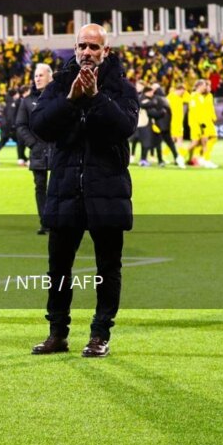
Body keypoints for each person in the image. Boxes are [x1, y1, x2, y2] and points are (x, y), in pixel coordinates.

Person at [29, 24, 138, 358]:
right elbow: (40, 127)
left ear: (106, 51)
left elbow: (125, 127)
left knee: (108, 268)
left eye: (94, 47)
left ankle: (99, 334)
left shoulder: (121, 87)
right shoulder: (60, 84)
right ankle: (57, 333)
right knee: (58, 268)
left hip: (107, 189)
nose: (87, 52)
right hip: (65, 189)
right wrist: (71, 100)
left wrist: (95, 98)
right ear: (75, 49)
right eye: (82, 46)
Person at [13, 63, 52, 235]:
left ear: (50, 76)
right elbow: (21, 125)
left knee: (59, 187)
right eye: (36, 76)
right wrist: (33, 144)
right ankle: (45, 222)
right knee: (40, 186)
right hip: (38, 150)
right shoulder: (27, 101)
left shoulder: (60, 96)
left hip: (57, 149)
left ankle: (60, 221)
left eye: (41, 75)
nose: (37, 78)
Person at [187, 79, 219, 168]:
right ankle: (202, 159)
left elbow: (210, 108)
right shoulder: (197, 96)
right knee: (201, 142)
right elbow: (196, 110)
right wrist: (201, 122)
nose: (209, 88)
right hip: (202, 122)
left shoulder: (208, 96)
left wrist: (213, 117)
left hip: (207, 121)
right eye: (207, 86)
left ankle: (198, 158)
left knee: (207, 140)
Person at [146, 85, 180, 166]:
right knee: (170, 143)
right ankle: (177, 158)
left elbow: (152, 112)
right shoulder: (166, 99)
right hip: (167, 125)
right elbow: (170, 113)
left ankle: (160, 160)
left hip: (158, 125)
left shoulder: (155, 99)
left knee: (157, 143)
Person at [0, 86, 21, 165]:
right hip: (9, 127)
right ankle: (21, 159)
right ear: (14, 95)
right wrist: (13, 126)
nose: (18, 95)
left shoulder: (9, 101)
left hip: (5, 126)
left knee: (3, 142)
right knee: (19, 142)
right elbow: (10, 116)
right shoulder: (12, 104)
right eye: (17, 94)